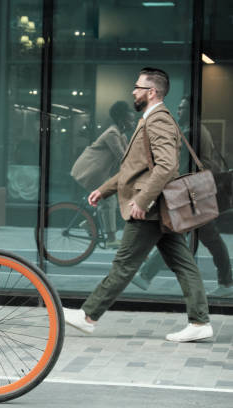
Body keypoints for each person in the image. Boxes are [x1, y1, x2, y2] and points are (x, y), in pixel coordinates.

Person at [63, 68, 212, 342]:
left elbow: (167, 166)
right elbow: (134, 168)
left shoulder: (159, 121)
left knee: (124, 264)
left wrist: (142, 201)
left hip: (148, 209)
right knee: (183, 263)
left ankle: (88, 316)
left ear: (151, 92)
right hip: (155, 207)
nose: (133, 91)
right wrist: (103, 190)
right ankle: (200, 321)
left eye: (138, 87)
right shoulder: (149, 120)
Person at [131, 96, 233, 297]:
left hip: (195, 192)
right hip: (197, 191)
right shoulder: (199, 130)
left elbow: (179, 166)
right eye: (178, 107)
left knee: (186, 234)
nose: (178, 110)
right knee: (191, 235)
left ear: (192, 111)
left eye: (182, 107)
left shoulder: (191, 132)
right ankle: (146, 275)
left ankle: (227, 282)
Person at [70, 101, 134, 247]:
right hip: (90, 171)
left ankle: (89, 223)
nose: (133, 122)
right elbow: (123, 158)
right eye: (130, 120)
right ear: (122, 120)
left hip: (99, 173)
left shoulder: (121, 135)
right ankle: (111, 239)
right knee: (109, 199)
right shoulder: (112, 134)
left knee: (107, 201)